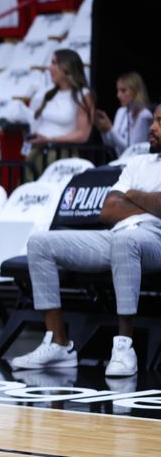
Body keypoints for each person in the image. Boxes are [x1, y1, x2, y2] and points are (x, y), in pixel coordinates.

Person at [11, 104, 161, 376]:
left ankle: (124, 347)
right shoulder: (138, 162)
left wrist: (132, 195)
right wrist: (149, 200)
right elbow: (108, 211)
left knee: (126, 243)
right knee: (40, 243)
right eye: (154, 121)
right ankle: (58, 343)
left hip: (155, 239)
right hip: (116, 234)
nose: (152, 127)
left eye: (160, 122)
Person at [25, 49, 94, 174]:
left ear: (67, 67)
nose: (50, 68)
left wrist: (50, 140)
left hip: (60, 155)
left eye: (54, 63)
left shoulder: (83, 95)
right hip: (38, 152)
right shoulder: (49, 93)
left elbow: (83, 135)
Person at [94, 71, 153, 156]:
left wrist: (110, 128)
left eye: (123, 90)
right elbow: (111, 144)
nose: (118, 95)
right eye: (118, 90)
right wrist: (103, 130)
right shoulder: (121, 111)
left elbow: (132, 150)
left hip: (135, 162)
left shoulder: (144, 114)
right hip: (120, 161)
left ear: (135, 91)